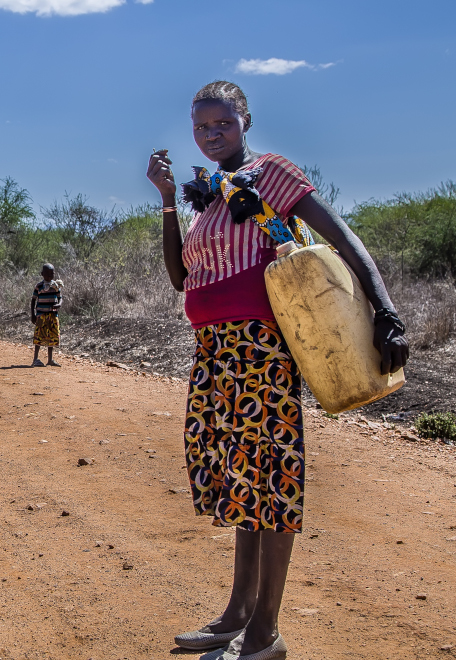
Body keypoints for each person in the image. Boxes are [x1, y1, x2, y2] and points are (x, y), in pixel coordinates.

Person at [146, 81, 408, 660]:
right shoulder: (208, 195)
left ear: (246, 122)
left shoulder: (270, 173)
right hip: (214, 352)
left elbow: (341, 235)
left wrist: (386, 311)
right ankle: (237, 612)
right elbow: (179, 278)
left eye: (223, 124)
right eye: (201, 127)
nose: (211, 134)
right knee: (241, 477)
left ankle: (266, 629)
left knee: (271, 476)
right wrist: (167, 199)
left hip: (260, 350)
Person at [31, 263, 63, 367]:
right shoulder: (39, 286)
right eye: (47, 274)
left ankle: (50, 359)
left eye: (51, 274)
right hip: (41, 315)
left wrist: (59, 304)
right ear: (42, 274)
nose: (49, 276)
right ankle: (35, 359)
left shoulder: (56, 286)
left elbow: (60, 297)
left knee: (52, 336)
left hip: (53, 315)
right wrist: (33, 314)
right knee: (39, 336)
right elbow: (33, 300)